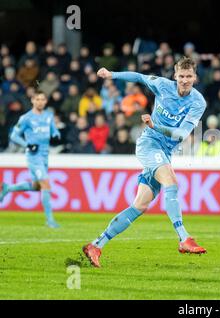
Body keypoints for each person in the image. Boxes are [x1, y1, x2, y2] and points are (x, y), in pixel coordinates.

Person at [83, 57, 207, 267]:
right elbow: (139, 76)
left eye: (189, 76)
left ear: (194, 77)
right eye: (181, 76)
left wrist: (154, 125)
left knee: (139, 205)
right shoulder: (162, 85)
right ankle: (183, 238)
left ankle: (96, 245)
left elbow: (180, 134)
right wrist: (112, 75)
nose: (185, 80)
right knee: (171, 183)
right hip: (149, 145)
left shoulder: (198, 102)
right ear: (175, 76)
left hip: (165, 150)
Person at [0, 91, 61, 228]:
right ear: (33, 100)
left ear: (45, 101)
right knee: (45, 184)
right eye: (37, 99)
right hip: (34, 156)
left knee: (36, 186)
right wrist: (27, 144)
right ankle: (50, 220)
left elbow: (54, 130)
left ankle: (8, 188)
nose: (40, 102)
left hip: (45, 156)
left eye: (42, 99)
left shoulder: (48, 116)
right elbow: (14, 136)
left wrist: (56, 134)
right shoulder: (26, 118)